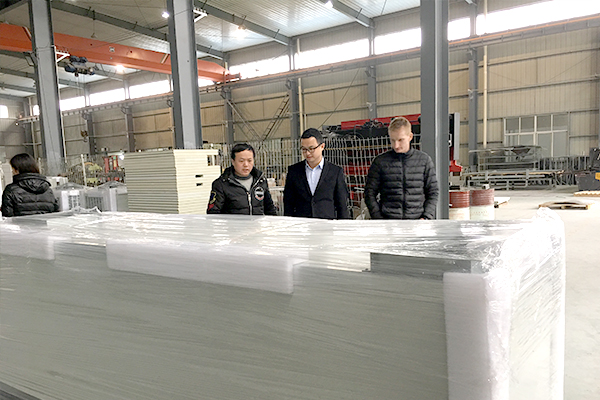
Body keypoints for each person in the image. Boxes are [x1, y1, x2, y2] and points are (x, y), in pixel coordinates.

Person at [365, 116, 439, 220]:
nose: (396, 145)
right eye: (393, 140)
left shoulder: (424, 161)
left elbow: (433, 192)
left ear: (410, 136)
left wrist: (426, 217)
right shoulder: (380, 162)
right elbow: (369, 193)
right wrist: (379, 218)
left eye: (400, 140)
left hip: (417, 222)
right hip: (388, 223)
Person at [283, 128, 350, 219]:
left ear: (322, 146)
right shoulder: (294, 171)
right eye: (304, 149)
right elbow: (288, 204)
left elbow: (342, 206)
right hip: (302, 224)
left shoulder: (335, 172)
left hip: (326, 224)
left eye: (311, 149)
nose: (307, 153)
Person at [207, 143, 277, 215]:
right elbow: (213, 213)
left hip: (257, 222)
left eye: (249, 160)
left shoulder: (260, 181)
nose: (246, 165)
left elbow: (270, 209)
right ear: (233, 161)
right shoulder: (221, 184)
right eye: (241, 161)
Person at [1, 153, 59, 217]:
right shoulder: (47, 190)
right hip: (44, 223)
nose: (12, 172)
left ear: (17, 170)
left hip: (21, 223)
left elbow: (8, 216)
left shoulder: (11, 190)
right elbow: (55, 214)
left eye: (12, 169)